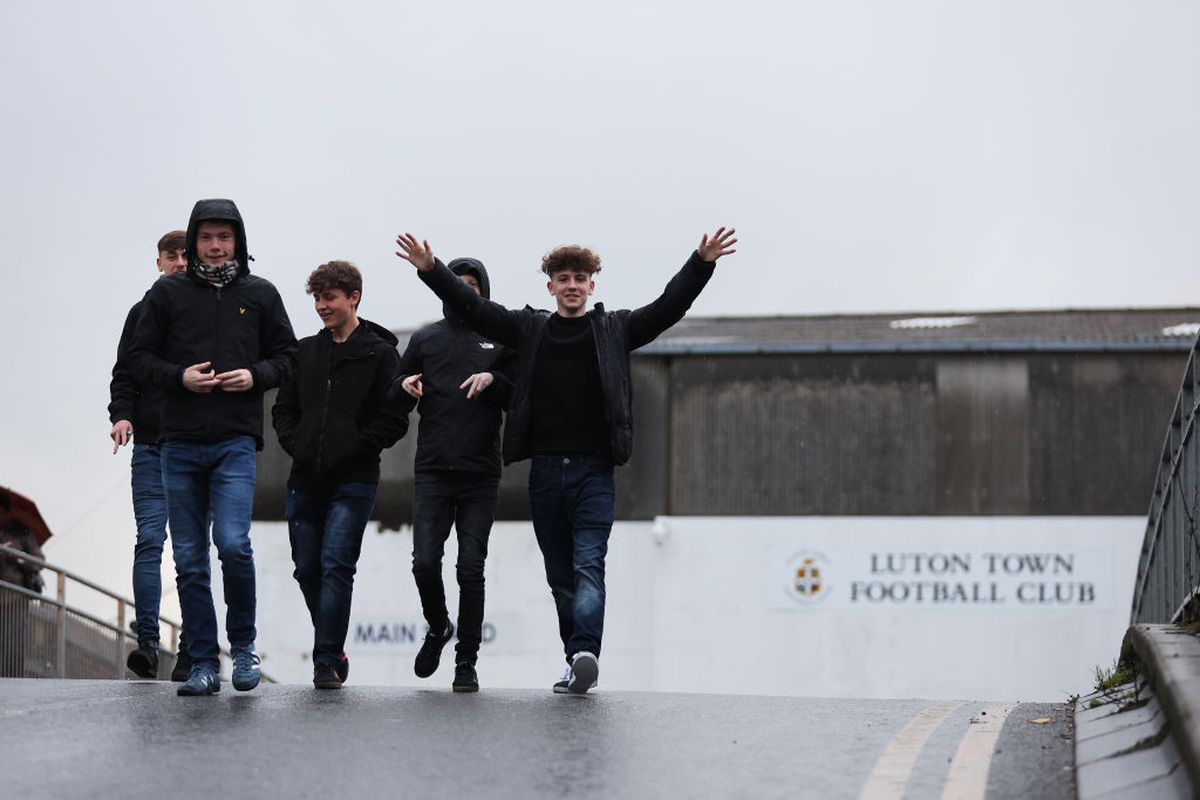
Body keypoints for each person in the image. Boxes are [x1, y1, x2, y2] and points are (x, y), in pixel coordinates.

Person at [395, 227, 736, 694]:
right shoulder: (529, 329)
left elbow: (666, 308)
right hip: (546, 472)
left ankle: (583, 652)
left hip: (595, 471)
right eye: (563, 278)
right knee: (560, 579)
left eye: (580, 278)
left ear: (592, 285)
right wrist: (431, 270)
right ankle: (572, 659)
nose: (572, 285)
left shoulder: (613, 329)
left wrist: (701, 263)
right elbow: (476, 308)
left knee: (588, 565)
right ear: (550, 286)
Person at [130, 199, 297, 696]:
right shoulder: (166, 296)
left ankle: (243, 647)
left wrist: (256, 376)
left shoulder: (261, 294)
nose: (216, 246)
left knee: (232, 543)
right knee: (189, 558)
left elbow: (288, 357)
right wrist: (179, 377)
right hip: (177, 443)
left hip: (235, 443)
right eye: (206, 238)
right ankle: (203, 661)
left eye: (224, 237)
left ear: (238, 242)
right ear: (193, 241)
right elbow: (138, 359)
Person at [272, 260, 410, 689]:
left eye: (329, 297)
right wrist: (298, 444)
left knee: (336, 566)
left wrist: (355, 447)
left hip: (355, 479)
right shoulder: (304, 352)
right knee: (306, 569)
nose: (320, 306)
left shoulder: (381, 353)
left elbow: (395, 418)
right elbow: (283, 411)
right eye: (316, 298)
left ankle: (325, 661)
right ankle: (335, 645)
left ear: (354, 298)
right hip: (305, 478)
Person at [393, 258, 515, 693]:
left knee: (470, 568)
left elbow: (518, 395)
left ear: (483, 291)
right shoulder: (426, 338)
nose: (463, 292)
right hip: (433, 470)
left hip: (481, 473)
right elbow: (396, 389)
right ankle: (438, 625)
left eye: (472, 286)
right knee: (425, 562)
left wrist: (494, 379)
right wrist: (404, 387)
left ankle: (467, 660)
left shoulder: (500, 338)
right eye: (456, 285)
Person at [109, 229, 192, 681]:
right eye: (171, 255)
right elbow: (124, 374)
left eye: (185, 255)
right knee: (149, 541)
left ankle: (191, 647)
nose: (179, 262)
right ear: (158, 262)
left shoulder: (206, 312)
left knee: (190, 548)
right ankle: (146, 642)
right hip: (149, 444)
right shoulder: (141, 314)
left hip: (196, 446)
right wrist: (122, 415)